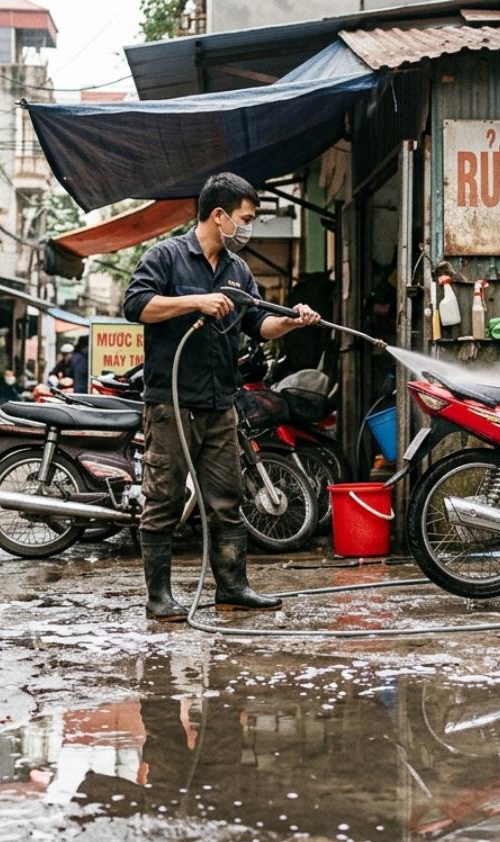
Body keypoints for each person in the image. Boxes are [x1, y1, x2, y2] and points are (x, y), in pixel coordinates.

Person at [123, 172, 321, 623]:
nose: (248, 227)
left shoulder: (239, 270)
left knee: (227, 499)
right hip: (171, 402)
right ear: (219, 215)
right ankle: (159, 598)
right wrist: (195, 302)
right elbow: (136, 305)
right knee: (165, 500)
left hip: (220, 403)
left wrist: (292, 321)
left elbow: (258, 325)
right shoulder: (167, 256)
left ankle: (233, 589)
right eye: (245, 218)